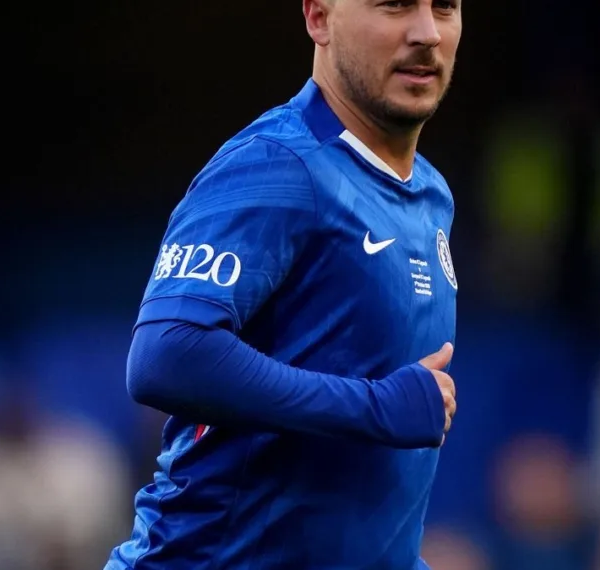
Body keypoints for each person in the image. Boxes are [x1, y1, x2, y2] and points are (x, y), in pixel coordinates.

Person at [107, 1, 462, 568]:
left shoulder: (431, 194)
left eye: (444, 6)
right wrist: (372, 407)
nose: (426, 32)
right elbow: (166, 354)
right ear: (319, 18)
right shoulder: (279, 162)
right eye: (393, 5)